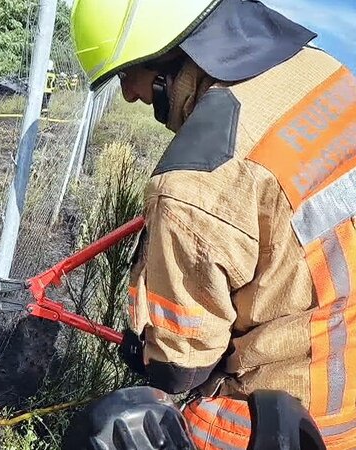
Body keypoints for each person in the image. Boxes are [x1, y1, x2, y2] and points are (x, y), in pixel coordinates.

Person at [70, 0, 356, 449]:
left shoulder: (194, 184)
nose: (129, 96)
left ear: (169, 56)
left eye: (127, 75)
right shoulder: (328, 76)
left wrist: (149, 352)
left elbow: (183, 363)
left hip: (293, 420)